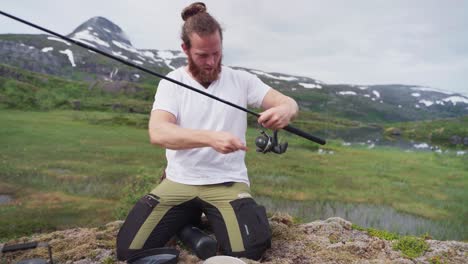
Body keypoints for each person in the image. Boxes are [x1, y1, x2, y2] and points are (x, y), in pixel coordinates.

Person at [116, 2, 298, 262]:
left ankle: (187, 225)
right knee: (129, 249)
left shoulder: (241, 80)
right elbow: (158, 132)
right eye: (203, 55)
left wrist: (285, 110)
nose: (211, 62)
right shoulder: (171, 83)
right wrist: (210, 138)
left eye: (217, 53)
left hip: (227, 182)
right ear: (185, 50)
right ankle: (187, 221)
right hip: (178, 182)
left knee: (248, 251)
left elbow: (288, 102)